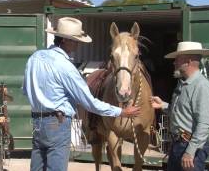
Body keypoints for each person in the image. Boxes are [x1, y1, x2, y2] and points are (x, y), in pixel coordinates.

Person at [23, 17, 141, 171]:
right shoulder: (66, 67)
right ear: (65, 41)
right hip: (57, 123)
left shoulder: (35, 58)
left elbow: (26, 90)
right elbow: (89, 103)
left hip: (38, 122)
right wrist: (121, 111)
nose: (78, 44)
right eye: (75, 40)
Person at [151, 41, 209, 171]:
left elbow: (204, 125)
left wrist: (190, 152)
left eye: (177, 59)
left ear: (188, 61)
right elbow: (181, 112)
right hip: (178, 145)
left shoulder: (202, 87)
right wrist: (162, 105)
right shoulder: (182, 84)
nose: (174, 63)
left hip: (191, 148)